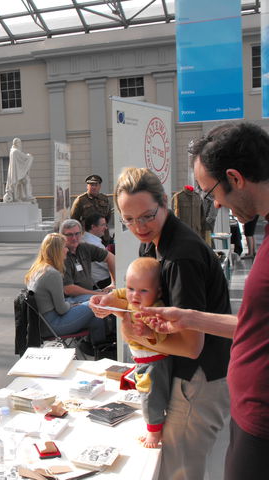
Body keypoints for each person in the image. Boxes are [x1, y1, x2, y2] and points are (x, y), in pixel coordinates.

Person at [137, 122, 269, 479]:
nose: (215, 203)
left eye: (211, 193)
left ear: (235, 178)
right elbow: (254, 325)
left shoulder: (182, 252)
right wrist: (190, 317)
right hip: (247, 408)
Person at [90, 166, 231, 480]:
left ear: (165, 202)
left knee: (180, 470)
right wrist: (113, 299)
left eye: (146, 216)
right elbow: (144, 295)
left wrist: (133, 329)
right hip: (186, 375)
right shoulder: (154, 240)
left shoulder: (181, 256)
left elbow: (192, 346)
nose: (138, 226)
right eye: (128, 220)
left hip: (197, 379)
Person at [105, 257, 171, 449]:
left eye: (143, 290)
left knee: (151, 397)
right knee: (147, 394)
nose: (134, 295)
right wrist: (107, 298)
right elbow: (120, 292)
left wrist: (149, 333)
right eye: (131, 288)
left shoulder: (155, 309)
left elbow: (163, 336)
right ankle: (155, 425)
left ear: (158, 292)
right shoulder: (132, 296)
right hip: (143, 361)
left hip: (154, 363)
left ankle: (154, 431)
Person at [25, 233, 106, 349]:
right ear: (57, 250)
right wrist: (74, 305)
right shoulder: (52, 274)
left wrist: (74, 305)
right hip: (53, 325)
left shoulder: (39, 268)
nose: (67, 250)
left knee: (91, 306)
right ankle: (100, 347)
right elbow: (62, 309)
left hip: (42, 322)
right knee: (96, 303)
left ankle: (95, 347)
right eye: (64, 247)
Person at [59, 219, 115, 302]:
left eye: (77, 234)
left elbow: (110, 257)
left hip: (88, 294)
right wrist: (96, 294)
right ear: (62, 236)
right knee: (106, 302)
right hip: (71, 300)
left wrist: (113, 283)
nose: (74, 238)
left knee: (115, 297)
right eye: (69, 235)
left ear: (81, 234)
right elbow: (68, 289)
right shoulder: (61, 255)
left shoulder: (83, 247)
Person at [70, 174, 112, 244]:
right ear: (87, 186)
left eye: (96, 185)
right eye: (91, 185)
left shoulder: (105, 199)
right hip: (87, 236)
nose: (94, 187)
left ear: (100, 186)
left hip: (103, 235)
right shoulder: (80, 200)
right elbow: (74, 219)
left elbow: (108, 217)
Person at [82, 213, 112, 289]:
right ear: (93, 227)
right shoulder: (95, 245)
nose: (106, 228)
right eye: (103, 225)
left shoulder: (83, 239)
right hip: (102, 283)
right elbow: (109, 264)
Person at [3, 137, 35, 203]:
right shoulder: (15, 151)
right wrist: (29, 156)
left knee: (26, 180)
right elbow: (24, 157)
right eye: (19, 143)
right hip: (16, 171)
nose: (20, 144)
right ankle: (17, 197)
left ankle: (26, 196)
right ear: (16, 143)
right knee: (17, 183)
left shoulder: (13, 151)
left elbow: (22, 158)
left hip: (18, 171)